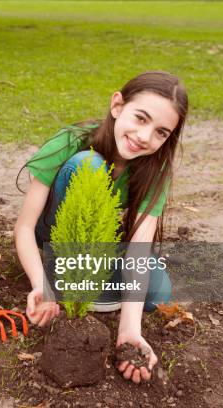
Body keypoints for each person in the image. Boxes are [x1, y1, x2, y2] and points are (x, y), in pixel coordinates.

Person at [14, 71, 188, 384]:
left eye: (161, 132)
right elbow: (24, 227)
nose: (145, 137)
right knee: (88, 166)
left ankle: (94, 278)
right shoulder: (69, 140)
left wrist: (129, 330)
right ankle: (64, 273)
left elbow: (138, 247)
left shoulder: (155, 166)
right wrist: (41, 284)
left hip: (105, 242)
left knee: (158, 291)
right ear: (117, 105)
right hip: (57, 235)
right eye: (140, 118)